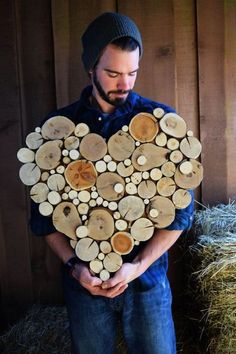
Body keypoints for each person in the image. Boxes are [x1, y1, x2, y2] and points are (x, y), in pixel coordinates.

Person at [31, 12, 194, 354]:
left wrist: (138, 266)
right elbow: (43, 217)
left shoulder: (161, 125)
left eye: (132, 73)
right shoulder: (57, 130)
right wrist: (76, 269)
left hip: (147, 285)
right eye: (113, 73)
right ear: (90, 67)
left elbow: (180, 215)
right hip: (83, 289)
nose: (125, 84)